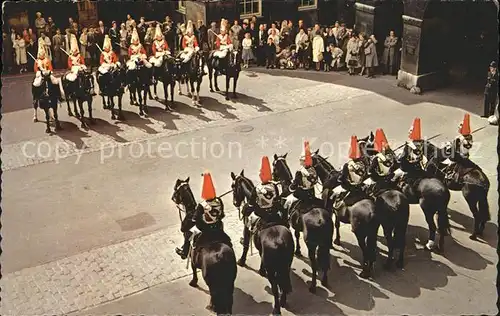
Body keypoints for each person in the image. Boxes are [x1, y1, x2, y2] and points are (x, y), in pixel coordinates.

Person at [238, 156, 286, 266]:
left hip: (261, 215)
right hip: (274, 214)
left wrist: (245, 209)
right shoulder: (275, 186)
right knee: (284, 219)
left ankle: (245, 249)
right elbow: (277, 199)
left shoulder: (257, 188)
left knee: (247, 224)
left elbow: (251, 204)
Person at [175, 172, 226, 259]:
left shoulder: (201, 205)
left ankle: (185, 252)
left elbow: (194, 220)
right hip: (218, 227)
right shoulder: (219, 201)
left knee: (188, 234)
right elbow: (222, 215)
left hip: (205, 229)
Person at [284, 141, 322, 211]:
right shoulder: (314, 171)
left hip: (301, 196)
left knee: (287, 203)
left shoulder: (299, 172)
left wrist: (290, 188)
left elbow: (294, 187)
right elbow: (315, 182)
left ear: (302, 161)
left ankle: (287, 220)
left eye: (300, 160)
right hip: (312, 195)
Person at [331, 136, 369, 202]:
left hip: (351, 188)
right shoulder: (365, 164)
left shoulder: (347, 165)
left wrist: (341, 179)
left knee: (334, 197)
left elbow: (342, 178)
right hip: (361, 186)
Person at [393, 118, 427, 182]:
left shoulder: (409, 145)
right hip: (419, 168)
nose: (409, 131)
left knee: (393, 176)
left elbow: (402, 159)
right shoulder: (422, 144)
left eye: (411, 131)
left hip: (408, 169)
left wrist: (398, 158)